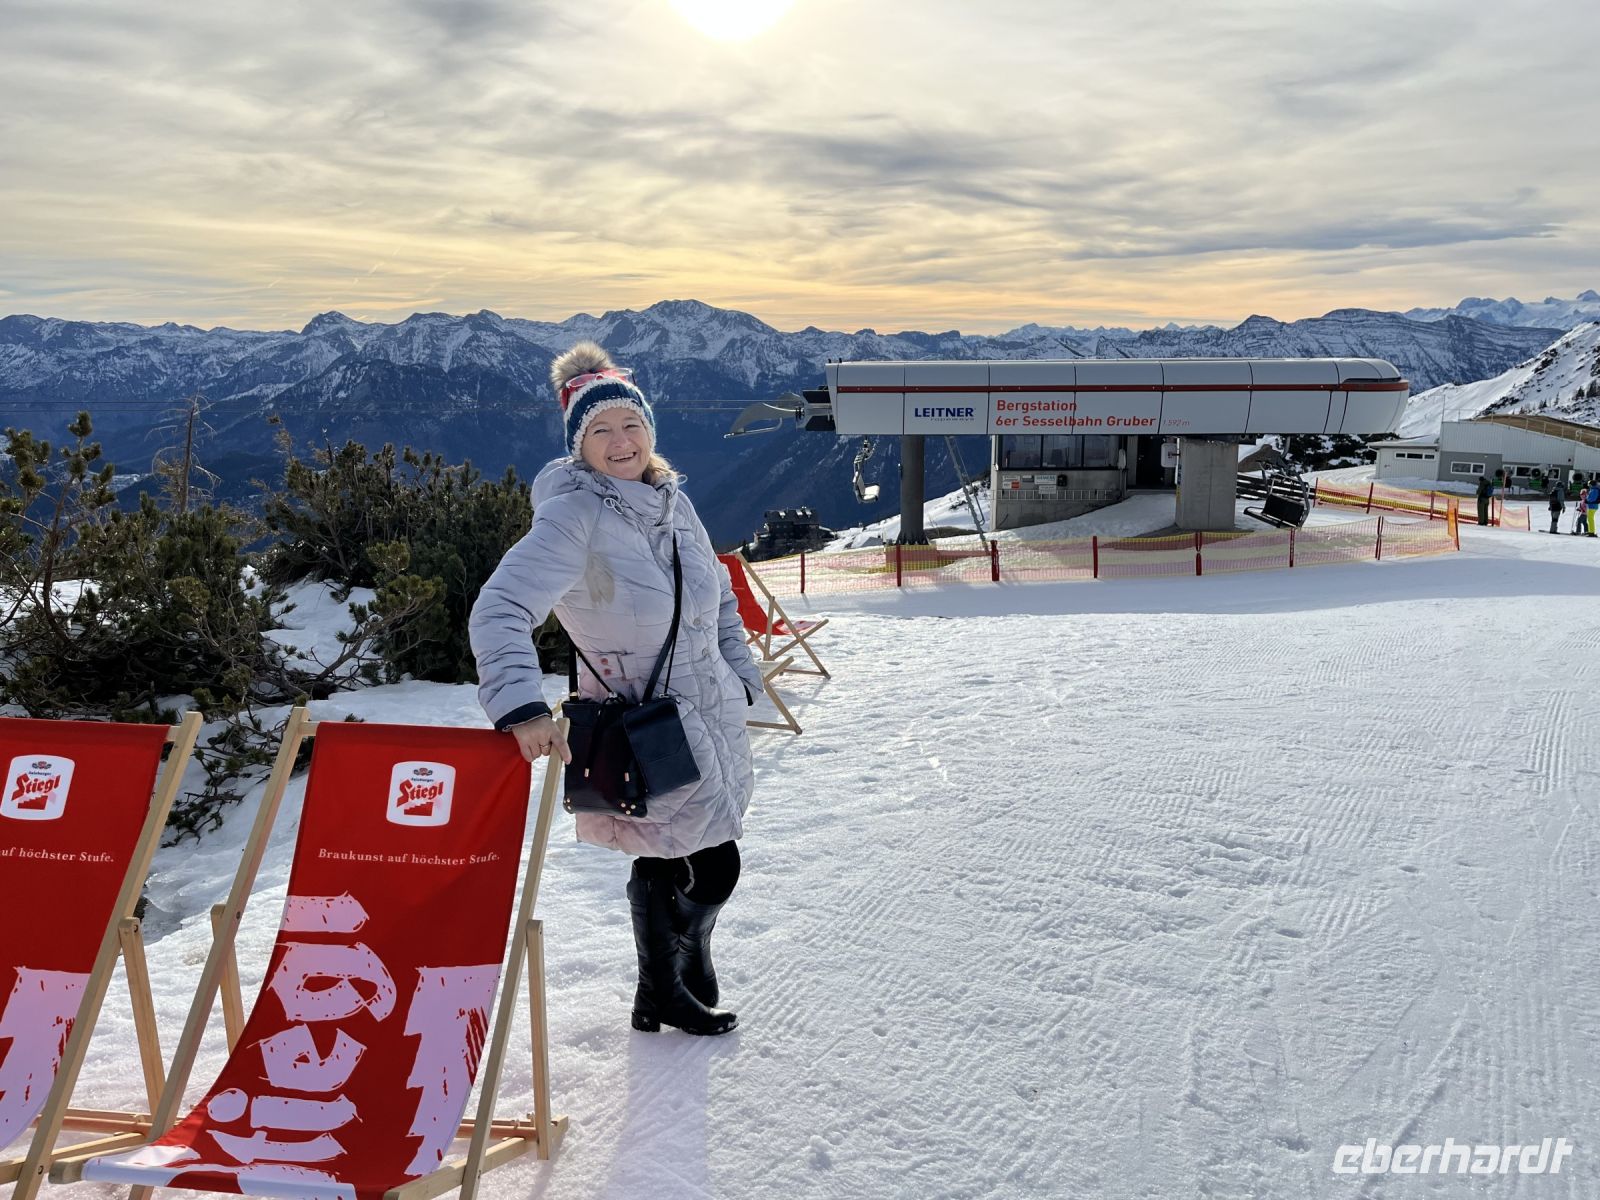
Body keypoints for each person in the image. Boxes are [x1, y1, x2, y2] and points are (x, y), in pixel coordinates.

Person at [469, 342, 766, 1037]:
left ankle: (659, 988)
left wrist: (738, 668)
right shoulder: (573, 517)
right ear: (579, 446)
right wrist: (519, 707)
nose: (620, 441)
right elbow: (500, 609)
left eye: (630, 425)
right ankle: (680, 962)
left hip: (708, 709)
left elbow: (718, 594)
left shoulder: (674, 501)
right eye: (600, 430)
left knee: (679, 853)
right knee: (708, 863)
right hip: (641, 721)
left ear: (650, 431)